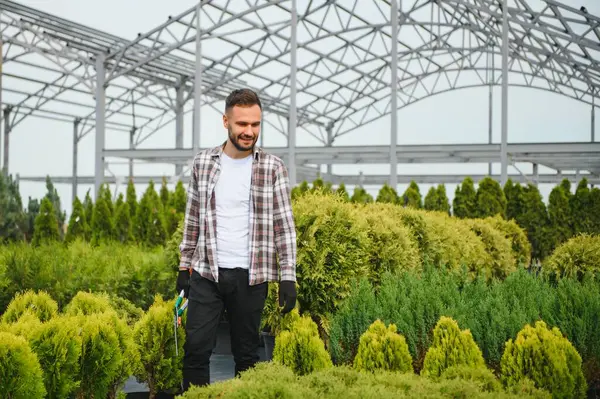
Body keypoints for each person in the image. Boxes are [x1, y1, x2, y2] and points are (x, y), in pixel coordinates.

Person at [176, 88, 297, 391]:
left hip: (251, 277)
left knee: (246, 356)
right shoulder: (203, 164)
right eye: (242, 124)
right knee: (195, 352)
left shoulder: (272, 168)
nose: (249, 131)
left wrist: (288, 277)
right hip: (207, 274)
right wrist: (183, 267)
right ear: (225, 122)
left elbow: (284, 226)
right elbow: (192, 218)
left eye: (255, 124)